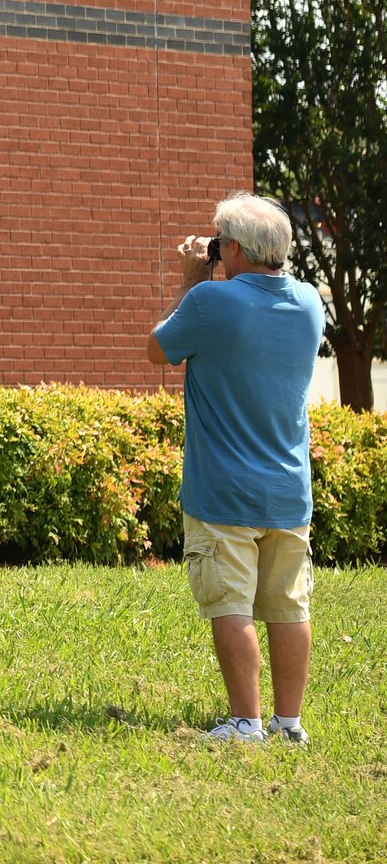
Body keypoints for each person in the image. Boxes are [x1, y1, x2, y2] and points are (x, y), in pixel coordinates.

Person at [148, 193, 323, 744]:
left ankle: (246, 723)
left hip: (224, 490)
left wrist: (190, 278)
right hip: (289, 488)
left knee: (232, 603)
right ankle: (288, 723)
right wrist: (213, 273)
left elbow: (159, 350)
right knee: (289, 607)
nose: (215, 248)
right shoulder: (310, 302)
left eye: (220, 241)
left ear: (237, 248)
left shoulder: (210, 302)